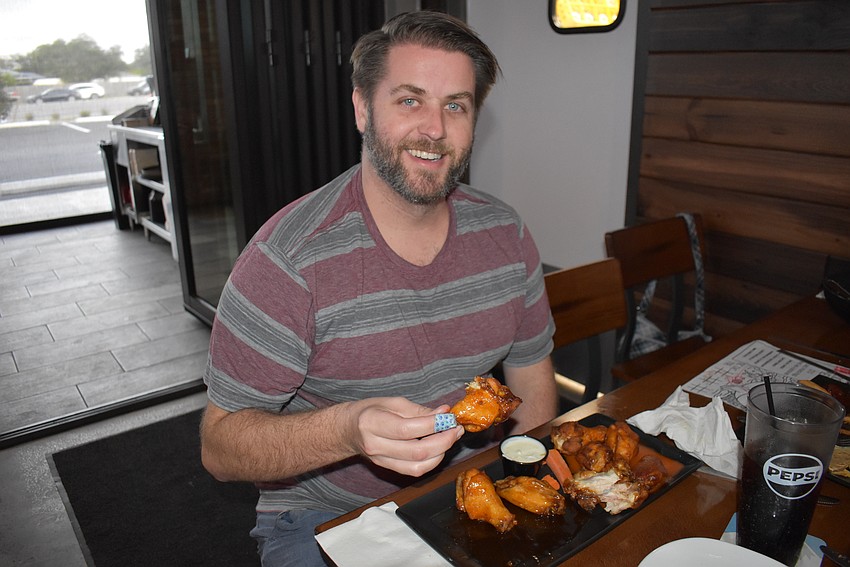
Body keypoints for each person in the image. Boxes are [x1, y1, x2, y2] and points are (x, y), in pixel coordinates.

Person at [200, 10, 557, 566]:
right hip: (323, 515)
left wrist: (524, 479)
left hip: (469, 490)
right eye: (410, 100)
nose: (435, 129)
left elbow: (532, 380)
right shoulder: (286, 259)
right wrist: (348, 430)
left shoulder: (505, 232)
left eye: (455, 106)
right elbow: (219, 447)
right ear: (363, 109)